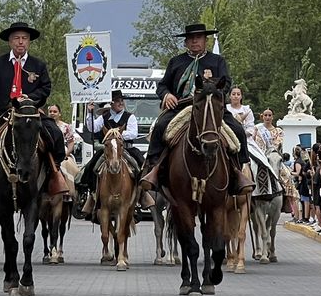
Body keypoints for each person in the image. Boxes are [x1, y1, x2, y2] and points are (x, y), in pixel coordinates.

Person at [140, 24, 249, 194]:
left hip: (211, 107)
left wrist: (213, 90)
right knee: (160, 126)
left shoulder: (217, 61)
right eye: (191, 38)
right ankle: (154, 169)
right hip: (181, 107)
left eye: (198, 37)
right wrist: (167, 95)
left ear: (205, 40)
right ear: (186, 42)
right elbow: (162, 86)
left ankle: (238, 173)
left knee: (237, 130)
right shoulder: (176, 62)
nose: (194, 41)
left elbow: (226, 83)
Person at [0, 22, 65, 194]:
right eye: (17, 38)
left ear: (29, 42)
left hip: (31, 112)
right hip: (2, 112)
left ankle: (54, 172)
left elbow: (45, 87)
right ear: (10, 42)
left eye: (24, 39)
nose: (21, 42)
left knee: (55, 134)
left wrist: (31, 99)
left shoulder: (38, 65)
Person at [76, 89, 143, 216]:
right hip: (108, 149)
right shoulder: (104, 117)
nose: (121, 103)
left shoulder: (130, 117)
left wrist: (117, 134)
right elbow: (92, 127)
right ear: (111, 103)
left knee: (139, 166)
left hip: (126, 148)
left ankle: (141, 196)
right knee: (92, 167)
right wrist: (90, 112)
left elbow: (133, 133)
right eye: (118, 101)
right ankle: (93, 195)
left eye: (121, 101)